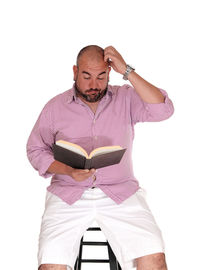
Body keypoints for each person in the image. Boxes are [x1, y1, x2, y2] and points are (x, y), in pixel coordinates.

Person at [27, 45, 174, 270]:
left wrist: (127, 70)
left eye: (101, 76)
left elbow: (164, 110)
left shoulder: (125, 98)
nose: (94, 85)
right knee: (50, 265)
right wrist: (68, 171)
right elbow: (36, 150)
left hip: (121, 192)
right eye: (86, 76)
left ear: (109, 73)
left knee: (154, 259)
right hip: (68, 195)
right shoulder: (55, 107)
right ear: (75, 72)